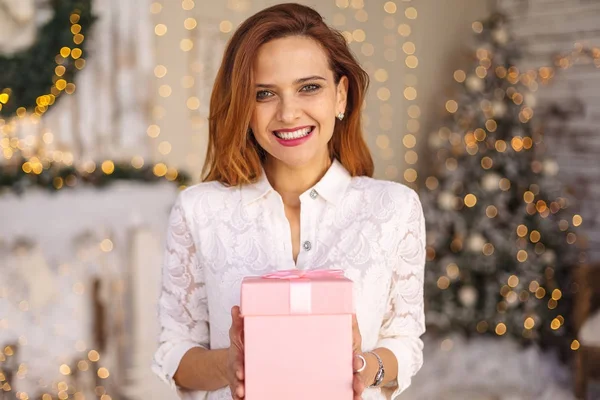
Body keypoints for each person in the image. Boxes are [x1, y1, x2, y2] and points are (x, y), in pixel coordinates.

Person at [152, 3, 425, 400]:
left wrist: (362, 366)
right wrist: (230, 365)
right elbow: (174, 356)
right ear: (244, 109)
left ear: (341, 96)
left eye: (309, 87)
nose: (288, 112)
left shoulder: (394, 209)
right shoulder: (199, 211)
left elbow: (405, 342)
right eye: (264, 94)